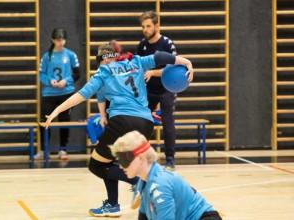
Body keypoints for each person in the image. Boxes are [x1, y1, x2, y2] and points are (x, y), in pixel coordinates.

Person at [43, 40, 193, 217]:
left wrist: (56, 110)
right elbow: (160, 57)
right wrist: (186, 62)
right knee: (110, 162)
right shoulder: (136, 61)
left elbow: (81, 95)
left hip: (122, 122)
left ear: (104, 59)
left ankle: (138, 181)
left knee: (97, 165)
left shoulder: (104, 71)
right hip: (145, 124)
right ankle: (112, 204)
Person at [110, 130, 223, 220]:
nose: (120, 166)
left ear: (140, 158)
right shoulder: (144, 182)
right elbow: (143, 216)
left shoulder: (160, 184)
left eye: (123, 160)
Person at [137, 11, 185, 170]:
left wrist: (153, 72)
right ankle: (141, 156)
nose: (145, 29)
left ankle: (170, 159)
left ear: (157, 26)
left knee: (167, 120)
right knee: (141, 122)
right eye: (143, 26)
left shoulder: (167, 44)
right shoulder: (142, 45)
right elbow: (138, 67)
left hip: (167, 88)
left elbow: (173, 67)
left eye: (148, 26)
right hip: (148, 90)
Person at [35, 28, 80, 160]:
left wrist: (66, 81)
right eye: (58, 40)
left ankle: (63, 149)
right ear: (53, 40)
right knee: (45, 121)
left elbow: (77, 74)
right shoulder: (46, 56)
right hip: (49, 94)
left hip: (66, 93)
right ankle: (44, 150)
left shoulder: (71, 55)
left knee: (65, 121)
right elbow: (41, 74)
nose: (61, 42)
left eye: (62, 40)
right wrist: (50, 81)